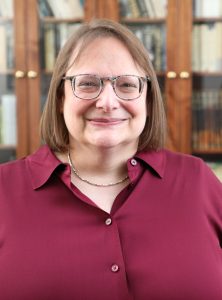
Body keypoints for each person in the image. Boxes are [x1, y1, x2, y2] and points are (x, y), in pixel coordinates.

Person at [0, 19, 222, 300]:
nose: (107, 102)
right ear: (60, 98)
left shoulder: (198, 181)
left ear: (149, 101)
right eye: (88, 84)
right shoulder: (3, 191)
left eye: (127, 85)